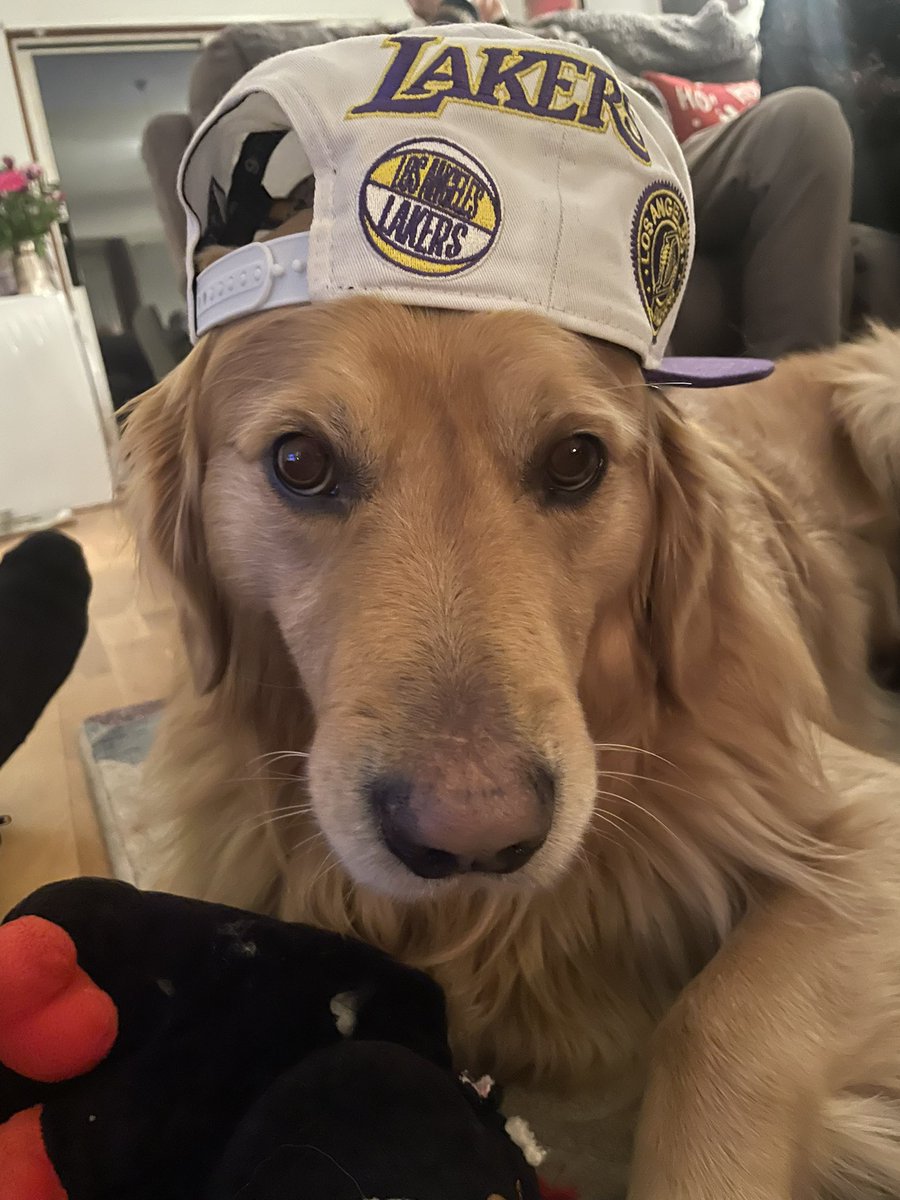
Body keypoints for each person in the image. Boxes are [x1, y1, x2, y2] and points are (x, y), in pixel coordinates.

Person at [407, 0, 855, 359]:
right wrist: (453, 12)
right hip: (531, 180)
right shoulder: (396, 45)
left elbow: (713, 37)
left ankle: (798, 413)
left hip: (648, 145)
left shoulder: (571, 30)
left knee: (805, 119)